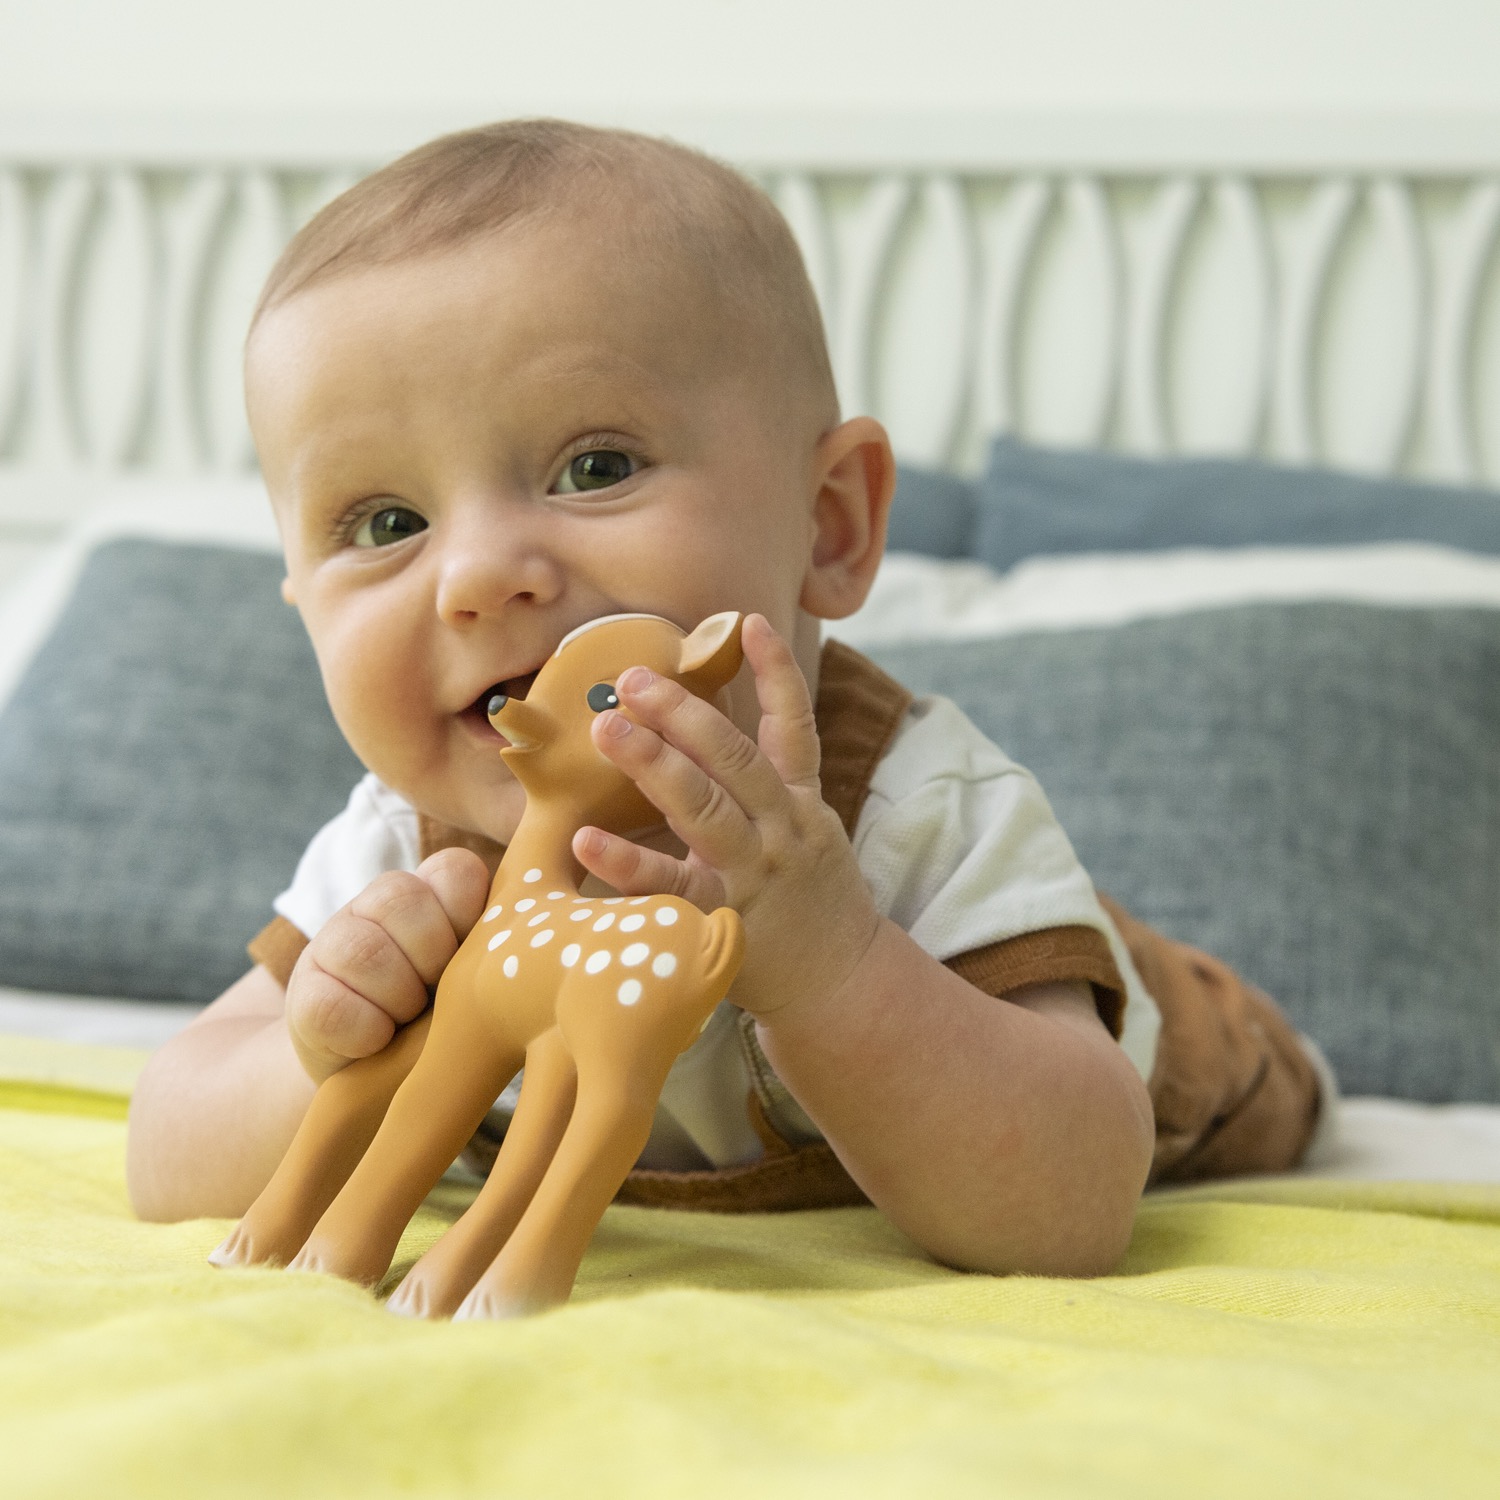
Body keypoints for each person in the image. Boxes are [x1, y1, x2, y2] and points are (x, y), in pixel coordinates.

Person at [126, 120, 1328, 1277]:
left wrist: (835, 967)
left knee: (1233, 1053)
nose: (482, 576)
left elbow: (1069, 1211)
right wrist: (321, 1047)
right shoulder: (401, 854)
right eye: (387, 524)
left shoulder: (914, 812)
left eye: (594, 467)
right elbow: (162, 1152)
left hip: (1155, 1055)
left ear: (831, 525)